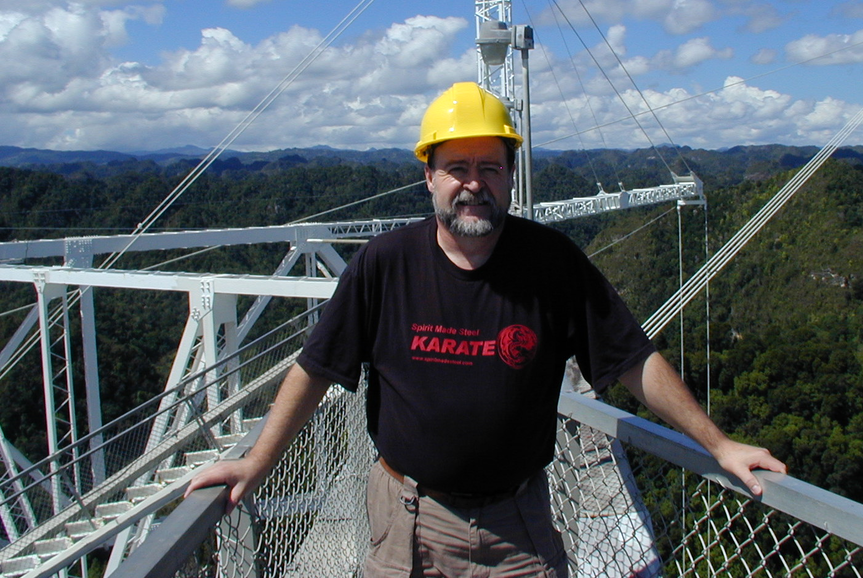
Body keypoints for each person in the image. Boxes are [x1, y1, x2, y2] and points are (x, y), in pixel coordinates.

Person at [186, 81, 786, 577]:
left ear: (509, 176)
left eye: (489, 167)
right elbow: (317, 368)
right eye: (456, 168)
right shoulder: (384, 265)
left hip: (516, 525)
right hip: (406, 516)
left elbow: (630, 359)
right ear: (429, 177)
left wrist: (718, 445)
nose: (473, 183)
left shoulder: (552, 264)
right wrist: (257, 463)